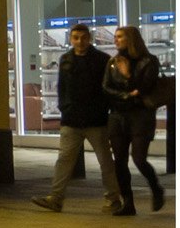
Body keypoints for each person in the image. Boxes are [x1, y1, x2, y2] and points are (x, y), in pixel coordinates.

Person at [32, 25, 121, 213]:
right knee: (64, 160)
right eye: (76, 38)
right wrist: (65, 109)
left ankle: (113, 199)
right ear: (71, 39)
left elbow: (107, 89)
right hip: (72, 120)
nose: (80, 42)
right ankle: (56, 198)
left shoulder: (101, 60)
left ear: (89, 38)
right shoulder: (66, 60)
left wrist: (101, 109)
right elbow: (62, 88)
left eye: (83, 38)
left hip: (95, 120)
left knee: (105, 161)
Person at [103, 26, 164, 214]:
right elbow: (106, 87)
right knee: (119, 161)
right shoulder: (113, 62)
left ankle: (156, 187)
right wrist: (127, 96)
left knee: (138, 159)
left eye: (120, 36)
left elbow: (145, 88)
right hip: (118, 115)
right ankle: (127, 203)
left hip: (140, 116)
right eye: (115, 37)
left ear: (131, 38)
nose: (116, 40)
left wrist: (128, 75)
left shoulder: (149, 61)